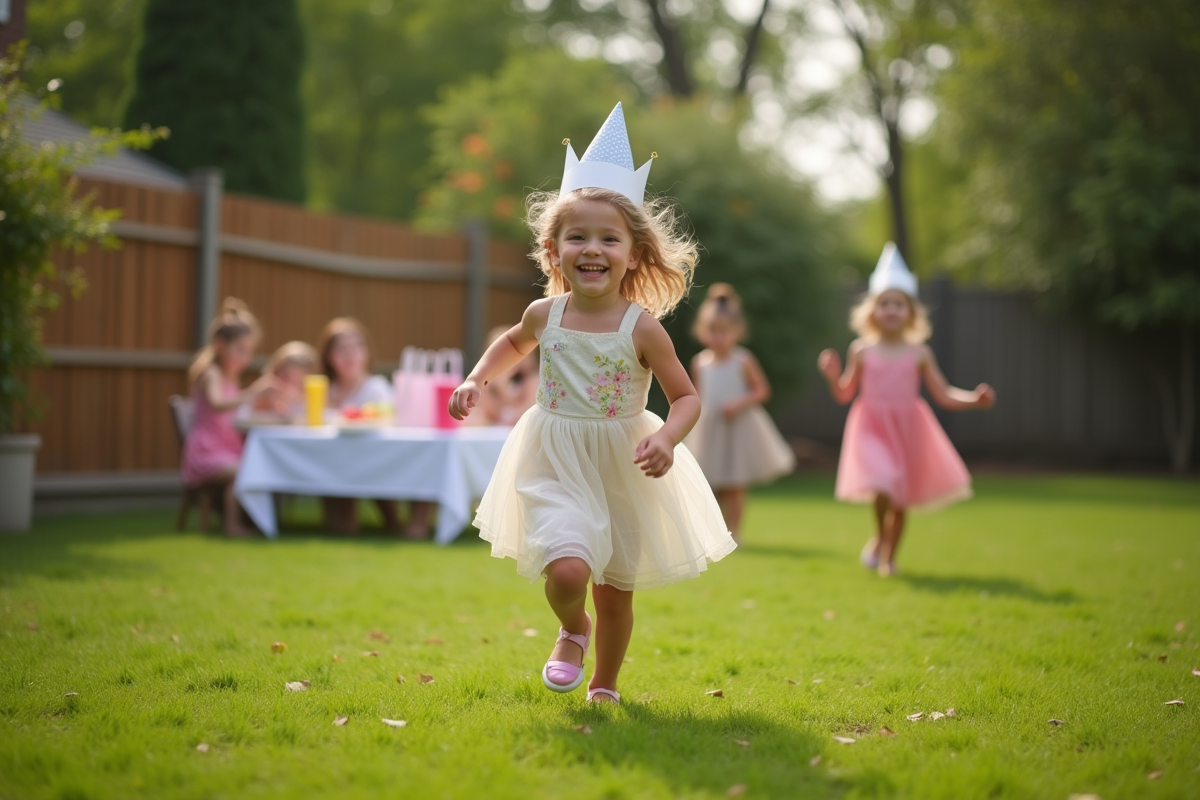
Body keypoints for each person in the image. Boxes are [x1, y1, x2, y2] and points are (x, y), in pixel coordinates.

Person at [449, 103, 734, 705]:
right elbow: (512, 344)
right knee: (567, 569)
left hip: (621, 465)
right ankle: (572, 627)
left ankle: (605, 683)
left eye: (609, 238)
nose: (592, 248)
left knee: (615, 590)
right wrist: (477, 378)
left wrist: (666, 437)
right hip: (554, 457)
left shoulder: (642, 328)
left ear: (634, 253)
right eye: (577, 236)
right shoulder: (544, 314)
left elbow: (686, 397)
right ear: (554, 250)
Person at [818, 243, 995, 576]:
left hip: (908, 430)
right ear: (872, 311)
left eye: (898, 304)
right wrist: (832, 376)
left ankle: (888, 556)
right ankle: (880, 536)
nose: (891, 310)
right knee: (883, 483)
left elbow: (943, 394)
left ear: (911, 313)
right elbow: (844, 393)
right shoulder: (861, 351)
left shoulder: (920, 354)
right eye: (884, 304)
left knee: (899, 496)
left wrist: (974, 399)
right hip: (871, 427)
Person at [686, 283, 795, 541]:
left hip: (737, 427)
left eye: (723, 331)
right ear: (703, 331)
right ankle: (715, 532)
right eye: (712, 330)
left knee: (734, 483)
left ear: (736, 331)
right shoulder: (700, 363)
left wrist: (738, 403)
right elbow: (696, 396)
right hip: (710, 427)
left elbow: (762, 391)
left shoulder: (742, 360)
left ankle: (735, 532)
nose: (718, 337)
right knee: (710, 481)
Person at [182, 298, 277, 537]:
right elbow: (217, 404)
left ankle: (257, 519)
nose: (245, 358)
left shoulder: (230, 377)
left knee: (257, 464)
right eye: (240, 350)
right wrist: (253, 392)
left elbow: (236, 411)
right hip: (207, 452)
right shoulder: (212, 374)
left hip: (227, 447)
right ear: (220, 345)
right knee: (244, 469)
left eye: (249, 352)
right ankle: (232, 525)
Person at [316, 318, 407, 536]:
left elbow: (388, 422)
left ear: (366, 353)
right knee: (342, 527)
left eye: (356, 347)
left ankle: (391, 519)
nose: (349, 355)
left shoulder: (376, 389)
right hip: (333, 465)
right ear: (328, 356)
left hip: (375, 463)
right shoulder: (321, 389)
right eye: (342, 349)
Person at [464, 325, 538, 427]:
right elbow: (486, 411)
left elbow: (522, 414)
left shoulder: (532, 382)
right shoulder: (486, 383)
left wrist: (504, 387)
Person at [248, 340, 318, 422]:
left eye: (298, 380)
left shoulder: (311, 394)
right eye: (286, 376)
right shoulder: (265, 388)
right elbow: (248, 410)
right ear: (276, 371)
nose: (290, 384)